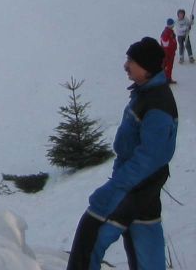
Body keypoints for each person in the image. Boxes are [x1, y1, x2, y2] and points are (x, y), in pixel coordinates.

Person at [66, 36, 177, 270]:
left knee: (91, 233)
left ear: (146, 67)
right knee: (145, 241)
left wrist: (117, 186)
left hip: (134, 186)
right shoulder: (147, 94)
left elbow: (150, 158)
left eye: (131, 61)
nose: (126, 65)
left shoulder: (156, 105)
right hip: (145, 187)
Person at [161, 19, 178, 83]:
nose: (173, 25)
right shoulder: (166, 32)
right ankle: (164, 80)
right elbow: (165, 44)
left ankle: (168, 79)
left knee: (170, 67)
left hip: (171, 53)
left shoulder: (170, 32)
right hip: (167, 54)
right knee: (166, 67)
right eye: (172, 24)